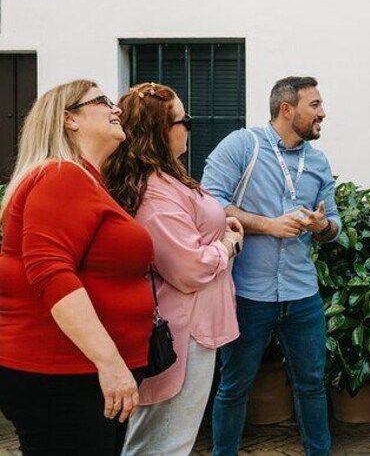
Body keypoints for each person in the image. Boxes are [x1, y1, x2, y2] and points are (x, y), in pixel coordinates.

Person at [0, 80, 153, 455]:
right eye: (103, 101)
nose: (117, 109)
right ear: (70, 119)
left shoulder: (83, 178)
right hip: (64, 375)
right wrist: (110, 362)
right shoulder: (62, 176)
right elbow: (50, 272)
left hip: (77, 374)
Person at [101, 83, 244, 455]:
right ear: (160, 131)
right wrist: (227, 245)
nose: (189, 127)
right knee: (164, 444)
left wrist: (217, 229)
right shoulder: (153, 192)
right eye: (185, 120)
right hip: (182, 333)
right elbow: (187, 268)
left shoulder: (164, 177)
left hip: (192, 326)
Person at [202, 76, 342, 456]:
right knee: (234, 388)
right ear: (287, 109)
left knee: (312, 386)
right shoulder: (242, 145)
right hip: (249, 294)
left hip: (302, 296)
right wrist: (268, 225)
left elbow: (335, 225)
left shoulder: (318, 161)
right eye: (315, 105)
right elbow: (210, 204)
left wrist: (322, 226)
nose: (323, 113)